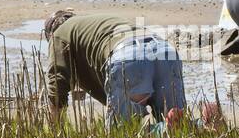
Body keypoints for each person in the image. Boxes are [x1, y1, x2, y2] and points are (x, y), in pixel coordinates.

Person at [44, 11, 191, 128]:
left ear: (50, 34)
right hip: (165, 51)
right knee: (178, 127)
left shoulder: (58, 35)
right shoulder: (90, 25)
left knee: (123, 135)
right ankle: (205, 122)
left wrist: (55, 130)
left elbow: (57, 85)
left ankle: (155, 134)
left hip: (129, 56)